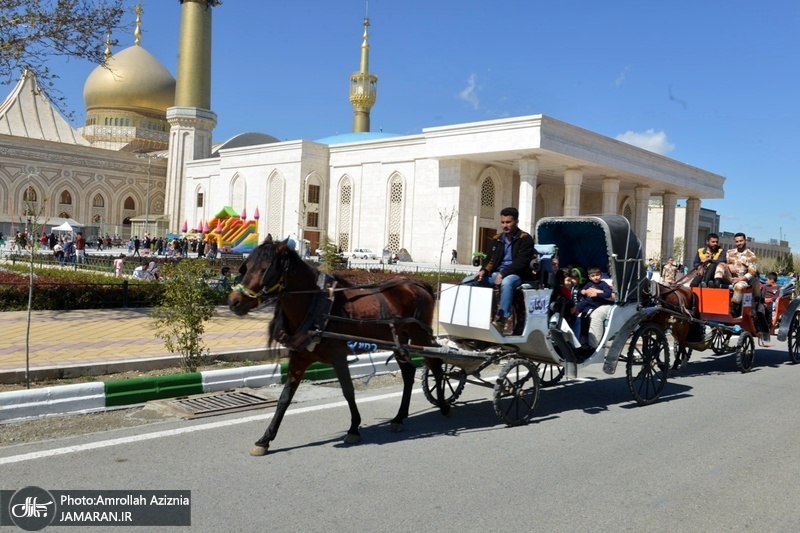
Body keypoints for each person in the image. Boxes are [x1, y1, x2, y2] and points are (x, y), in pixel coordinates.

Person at [464, 206, 535, 333]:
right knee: (468, 281)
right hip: (497, 274)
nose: (505, 225)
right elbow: (490, 260)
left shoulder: (525, 238)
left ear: (516, 222)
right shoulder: (497, 239)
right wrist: (483, 271)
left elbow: (522, 262)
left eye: (508, 222)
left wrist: (503, 274)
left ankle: (502, 320)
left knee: (507, 283)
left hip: (516, 274)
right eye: (503, 222)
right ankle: (469, 316)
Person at [710, 232, 760, 317]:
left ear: (745, 240)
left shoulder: (751, 255)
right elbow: (724, 263)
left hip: (742, 280)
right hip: (729, 277)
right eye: (737, 241)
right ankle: (716, 284)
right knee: (721, 264)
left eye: (741, 241)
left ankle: (733, 308)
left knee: (738, 287)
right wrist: (729, 265)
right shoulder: (730, 252)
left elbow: (752, 272)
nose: (739, 243)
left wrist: (740, 279)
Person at [574, 266, 613, 345]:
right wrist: (583, 292)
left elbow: (607, 294)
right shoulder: (589, 284)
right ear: (589, 277)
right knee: (574, 311)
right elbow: (581, 291)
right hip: (585, 302)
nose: (596, 278)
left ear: (601, 275)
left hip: (593, 304)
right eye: (593, 276)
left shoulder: (603, 284)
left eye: (597, 275)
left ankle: (584, 338)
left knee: (585, 317)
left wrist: (597, 294)